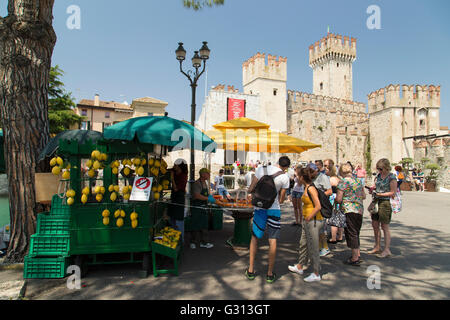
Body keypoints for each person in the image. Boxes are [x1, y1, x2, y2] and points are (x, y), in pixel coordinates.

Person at [246, 156, 291, 284]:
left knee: (254, 238)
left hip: (260, 208)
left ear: (277, 162)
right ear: (286, 167)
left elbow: (251, 188)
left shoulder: (261, 169)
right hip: (274, 209)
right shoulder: (285, 178)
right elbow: (281, 200)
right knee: (273, 240)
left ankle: (250, 270)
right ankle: (270, 273)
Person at [288, 166, 324, 282]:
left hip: (313, 221)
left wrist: (309, 216)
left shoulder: (311, 189)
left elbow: (318, 206)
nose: (296, 178)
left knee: (313, 246)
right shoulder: (306, 187)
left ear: (302, 177)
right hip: (307, 220)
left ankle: (316, 272)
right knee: (303, 243)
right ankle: (300, 266)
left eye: (298, 176)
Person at [335, 163, 366, 266]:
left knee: (351, 232)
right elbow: (364, 196)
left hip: (348, 209)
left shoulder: (343, 182)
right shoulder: (358, 181)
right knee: (356, 232)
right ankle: (358, 253)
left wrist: (337, 201)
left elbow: (339, 199)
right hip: (359, 209)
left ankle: (355, 257)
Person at [368, 158, 397, 258]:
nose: (379, 171)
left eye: (380, 169)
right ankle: (377, 246)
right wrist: (372, 189)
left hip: (385, 202)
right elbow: (376, 186)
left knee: (384, 226)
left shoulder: (391, 177)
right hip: (376, 200)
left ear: (386, 168)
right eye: (378, 169)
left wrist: (381, 194)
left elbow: (393, 192)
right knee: (375, 225)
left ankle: (387, 249)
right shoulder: (378, 176)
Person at [308, 163, 332, 257]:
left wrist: (317, 197)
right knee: (316, 228)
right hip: (312, 206)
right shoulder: (310, 178)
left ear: (315, 171)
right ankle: (318, 247)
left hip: (320, 205)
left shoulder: (323, 177)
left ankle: (325, 248)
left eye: (311, 172)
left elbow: (329, 191)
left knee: (320, 228)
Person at [190, 168, 216, 249]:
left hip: (204, 207)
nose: (209, 175)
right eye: (208, 173)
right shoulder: (197, 183)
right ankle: (193, 242)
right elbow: (197, 195)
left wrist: (212, 198)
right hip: (196, 207)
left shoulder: (206, 183)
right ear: (203, 174)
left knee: (204, 225)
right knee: (195, 225)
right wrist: (207, 199)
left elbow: (207, 194)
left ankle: (204, 242)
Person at [324, 159, 345, 244]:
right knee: (340, 217)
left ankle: (333, 238)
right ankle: (340, 236)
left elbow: (328, 190)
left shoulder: (331, 179)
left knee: (333, 219)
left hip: (333, 198)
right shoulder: (339, 178)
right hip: (340, 197)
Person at [168, 159, 188, 242]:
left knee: (179, 221)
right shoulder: (174, 171)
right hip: (173, 198)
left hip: (179, 199)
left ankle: (181, 240)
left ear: (179, 167)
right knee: (172, 219)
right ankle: (174, 238)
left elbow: (176, 189)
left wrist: (172, 178)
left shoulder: (183, 176)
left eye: (175, 165)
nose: (173, 166)